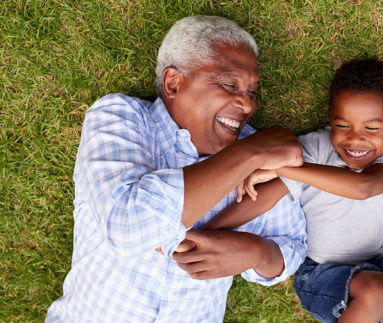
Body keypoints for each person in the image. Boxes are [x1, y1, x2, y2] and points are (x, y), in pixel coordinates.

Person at [45, 15, 307, 322]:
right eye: (229, 84)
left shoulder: (257, 154)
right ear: (173, 83)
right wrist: (249, 153)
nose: (248, 105)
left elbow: (291, 248)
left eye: (251, 91)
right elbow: (129, 227)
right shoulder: (120, 118)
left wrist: (256, 253)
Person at [200, 58, 383, 323]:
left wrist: (283, 168)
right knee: (379, 290)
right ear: (330, 118)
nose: (355, 139)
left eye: (371, 128)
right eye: (343, 125)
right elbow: (264, 197)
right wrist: (206, 231)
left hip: (380, 261)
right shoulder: (314, 148)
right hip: (321, 273)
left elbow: (364, 187)